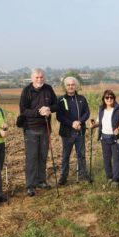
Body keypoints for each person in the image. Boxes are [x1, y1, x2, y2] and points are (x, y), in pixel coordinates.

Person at [19, 68, 57, 196]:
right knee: (31, 158)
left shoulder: (48, 89)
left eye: (41, 77)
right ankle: (30, 185)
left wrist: (49, 109)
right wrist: (38, 112)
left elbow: (56, 105)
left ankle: (41, 180)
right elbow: (23, 110)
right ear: (32, 78)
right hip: (31, 129)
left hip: (45, 128)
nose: (40, 79)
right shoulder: (26, 91)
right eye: (37, 77)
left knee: (42, 156)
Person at [56, 76, 90, 185]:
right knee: (66, 155)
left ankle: (82, 175)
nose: (71, 87)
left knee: (81, 154)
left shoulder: (81, 99)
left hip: (80, 131)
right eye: (68, 85)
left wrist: (79, 122)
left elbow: (87, 113)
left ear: (76, 86)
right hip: (67, 133)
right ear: (65, 87)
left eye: (73, 85)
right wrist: (72, 124)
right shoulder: (61, 100)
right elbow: (59, 116)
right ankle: (63, 177)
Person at [91, 90, 119, 187]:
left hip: (116, 138)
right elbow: (99, 122)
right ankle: (109, 177)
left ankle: (116, 179)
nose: (109, 99)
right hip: (104, 137)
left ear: (114, 99)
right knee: (106, 158)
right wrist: (94, 125)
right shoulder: (101, 109)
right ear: (104, 99)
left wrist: (118, 129)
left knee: (116, 159)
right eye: (107, 97)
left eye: (111, 97)